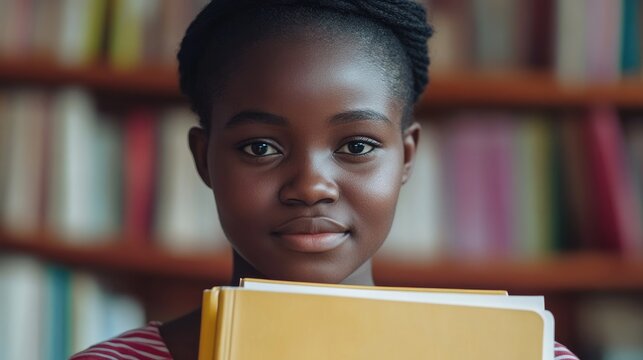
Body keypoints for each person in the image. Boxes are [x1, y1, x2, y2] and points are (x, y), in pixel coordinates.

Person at [71, 1, 579, 359]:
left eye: (356, 146)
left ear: (405, 158)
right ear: (205, 161)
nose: (312, 186)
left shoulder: (528, 354)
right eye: (260, 147)